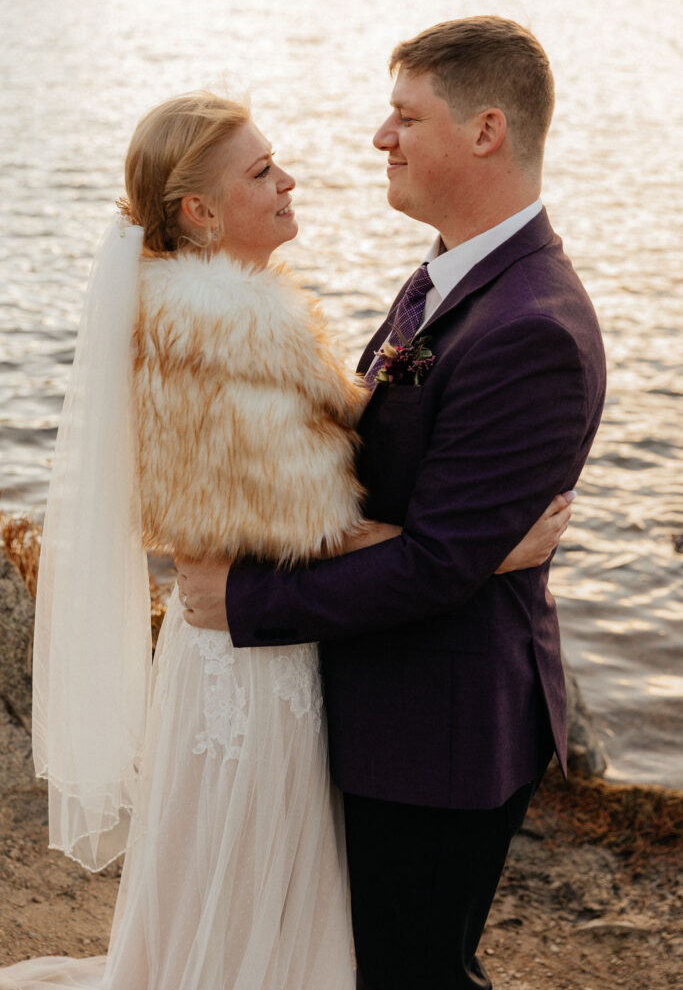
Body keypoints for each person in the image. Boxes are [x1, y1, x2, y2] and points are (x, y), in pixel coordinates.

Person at [0, 89, 567, 990]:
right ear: (201, 210)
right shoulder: (220, 332)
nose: (288, 179)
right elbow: (306, 528)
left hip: (237, 644)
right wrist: (487, 547)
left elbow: (271, 521)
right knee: (252, 883)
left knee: (235, 887)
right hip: (252, 669)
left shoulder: (214, 315)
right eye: (262, 172)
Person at [178, 17, 607, 990]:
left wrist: (241, 602)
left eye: (403, 116)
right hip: (388, 708)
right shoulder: (446, 275)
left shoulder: (528, 329)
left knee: (411, 973)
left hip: (441, 737)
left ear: (484, 131)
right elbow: (406, 501)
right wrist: (453, 545)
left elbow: (431, 571)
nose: (380, 137)